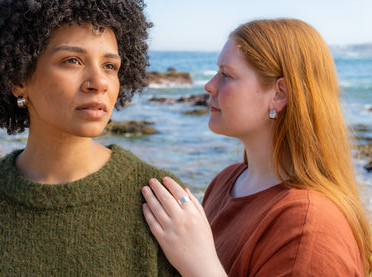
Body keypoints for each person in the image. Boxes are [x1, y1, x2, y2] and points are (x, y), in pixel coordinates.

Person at [0, 0, 182, 276]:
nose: (99, 82)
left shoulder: (161, 201)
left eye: (110, 65)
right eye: (72, 61)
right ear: (18, 77)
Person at [142, 18, 372, 276]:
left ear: (279, 94)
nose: (209, 85)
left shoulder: (310, 228)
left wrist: (198, 263)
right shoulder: (227, 180)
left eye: (226, 75)